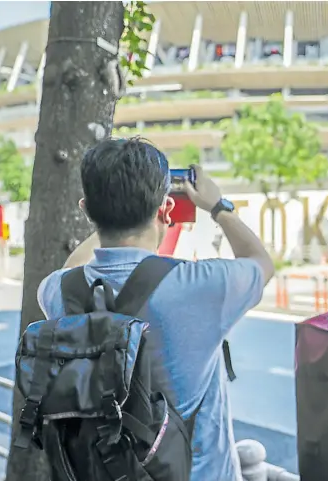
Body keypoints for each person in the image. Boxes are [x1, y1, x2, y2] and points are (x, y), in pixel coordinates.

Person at [36, 137, 274, 481]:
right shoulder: (199, 284)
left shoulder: (58, 291)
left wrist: (105, 216)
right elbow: (260, 263)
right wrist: (218, 205)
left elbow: (72, 267)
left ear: (86, 210)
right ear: (165, 209)